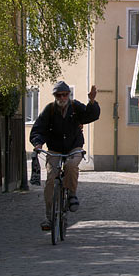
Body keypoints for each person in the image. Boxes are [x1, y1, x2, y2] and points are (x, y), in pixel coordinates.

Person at [30, 81, 100, 230]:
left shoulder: (75, 107)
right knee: (50, 178)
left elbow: (90, 116)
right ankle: (49, 217)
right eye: (58, 95)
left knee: (71, 165)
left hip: (74, 147)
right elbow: (38, 129)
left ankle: (72, 194)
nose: (62, 97)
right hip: (54, 149)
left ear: (69, 95)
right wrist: (38, 143)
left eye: (65, 94)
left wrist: (92, 101)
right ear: (55, 96)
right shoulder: (49, 110)